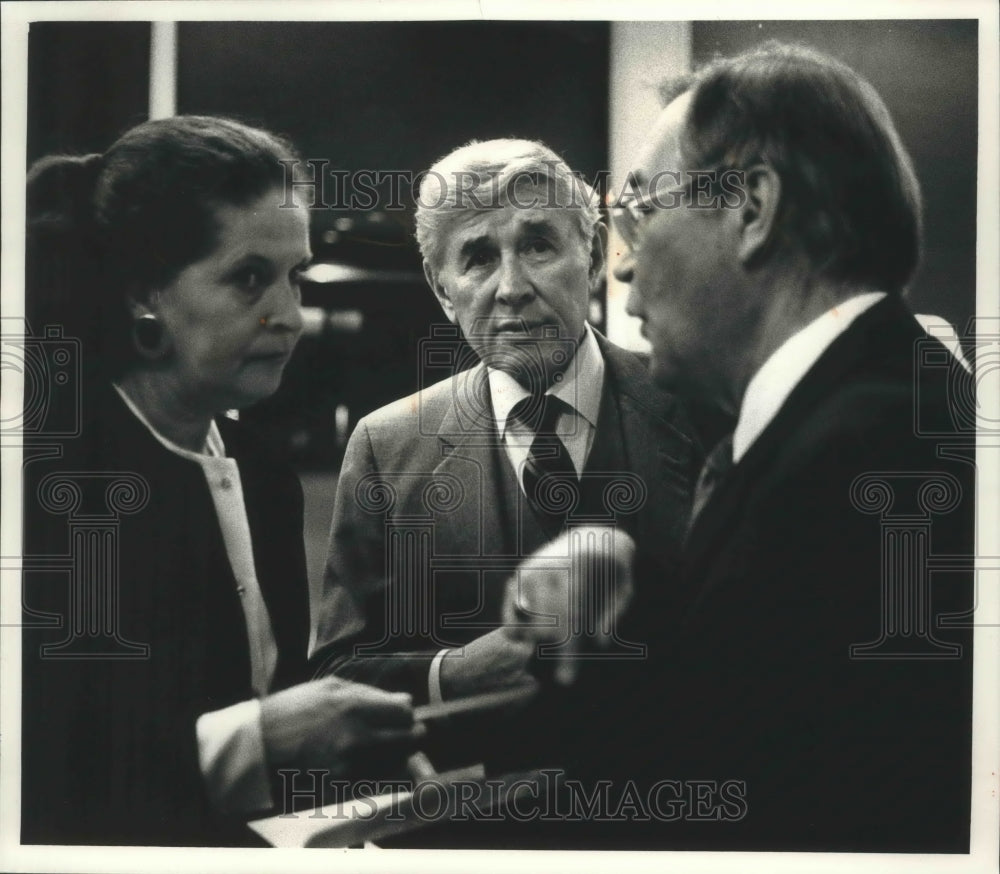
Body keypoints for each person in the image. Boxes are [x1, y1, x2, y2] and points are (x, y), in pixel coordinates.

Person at [506, 43, 974, 851]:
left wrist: (572, 656)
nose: (618, 269)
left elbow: (720, 814)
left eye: (641, 215)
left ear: (753, 210)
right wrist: (634, 594)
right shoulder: (886, 417)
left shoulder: (853, 466)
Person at [21, 116, 419, 847]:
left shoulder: (263, 473)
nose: (293, 317)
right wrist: (254, 741)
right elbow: (38, 775)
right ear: (146, 294)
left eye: (295, 276)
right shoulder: (48, 487)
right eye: (248, 279)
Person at [311, 139, 700, 724]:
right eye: (478, 258)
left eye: (538, 245)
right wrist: (450, 674)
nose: (512, 287)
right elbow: (335, 673)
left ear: (593, 256)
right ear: (443, 288)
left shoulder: (699, 409)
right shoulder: (386, 447)